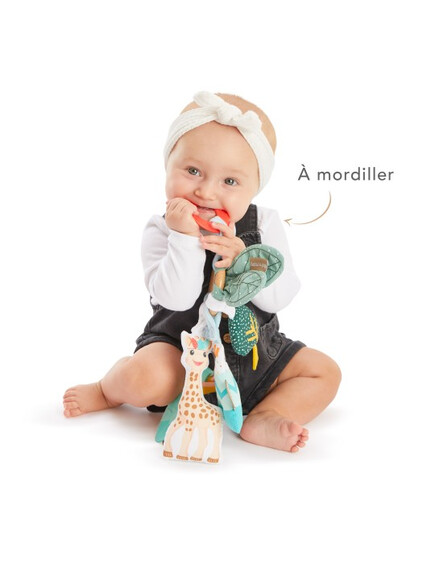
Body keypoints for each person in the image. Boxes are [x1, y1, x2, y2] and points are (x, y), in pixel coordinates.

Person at [63, 91, 341, 453]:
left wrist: (245, 260)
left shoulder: (265, 223)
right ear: (168, 166)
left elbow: (280, 297)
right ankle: (107, 390)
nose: (206, 192)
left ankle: (265, 415)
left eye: (230, 182)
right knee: (144, 378)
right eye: (193, 171)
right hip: (179, 357)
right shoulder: (161, 229)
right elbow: (175, 298)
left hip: (257, 355)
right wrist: (184, 238)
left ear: (254, 188)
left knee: (325, 372)